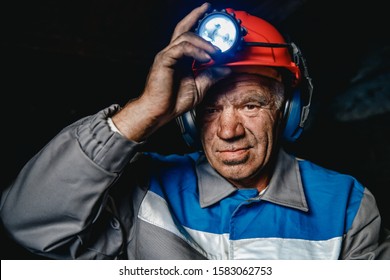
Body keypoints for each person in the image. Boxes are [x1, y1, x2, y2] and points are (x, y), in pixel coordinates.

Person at [0, 2, 389, 260]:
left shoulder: (348, 206)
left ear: (288, 111)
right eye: (208, 109)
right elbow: (27, 221)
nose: (228, 130)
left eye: (251, 105)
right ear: (188, 118)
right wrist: (146, 112)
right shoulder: (144, 191)